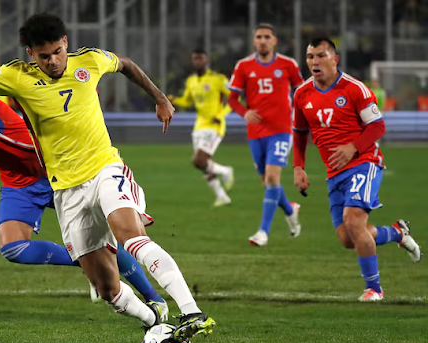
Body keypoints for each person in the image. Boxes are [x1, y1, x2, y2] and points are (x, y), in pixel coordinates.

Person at [0, 13, 215, 342]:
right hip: (66, 192)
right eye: (44, 56)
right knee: (106, 287)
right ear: (31, 53)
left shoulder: (89, 60)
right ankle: (154, 318)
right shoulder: (15, 75)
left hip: (105, 169)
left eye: (58, 51)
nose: (53, 60)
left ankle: (191, 311)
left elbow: (126, 64)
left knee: (131, 236)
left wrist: (159, 98)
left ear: (65, 43)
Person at [0, 67, 167, 310]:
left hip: (52, 171)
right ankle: (87, 262)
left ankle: (154, 298)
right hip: (18, 182)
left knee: (104, 239)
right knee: (14, 248)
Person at [292, 37, 421, 302]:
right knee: (347, 237)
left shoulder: (355, 89)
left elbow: (377, 127)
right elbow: (300, 132)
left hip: (365, 162)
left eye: (321, 55)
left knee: (353, 220)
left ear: (334, 59)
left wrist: (353, 147)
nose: (314, 62)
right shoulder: (302, 93)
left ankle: (374, 288)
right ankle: (397, 232)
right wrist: (298, 166)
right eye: (310, 56)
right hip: (334, 172)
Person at [228, 23, 303, 246]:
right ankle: (291, 210)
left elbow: (302, 92)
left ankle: (263, 232)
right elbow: (232, 99)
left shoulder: (288, 65)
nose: (262, 40)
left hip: (281, 130)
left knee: (272, 178)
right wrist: (245, 112)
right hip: (255, 133)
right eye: (259, 37)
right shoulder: (243, 66)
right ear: (254, 41)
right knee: (267, 182)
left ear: (274, 40)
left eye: (267, 37)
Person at [168, 48, 234, 207]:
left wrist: (221, 115)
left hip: (214, 126)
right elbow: (188, 100)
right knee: (204, 165)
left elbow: (234, 98)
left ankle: (226, 171)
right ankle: (222, 196)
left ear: (206, 60)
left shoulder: (218, 79)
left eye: (200, 58)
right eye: (195, 59)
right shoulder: (191, 81)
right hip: (199, 126)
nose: (198, 61)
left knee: (199, 160)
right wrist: (175, 100)